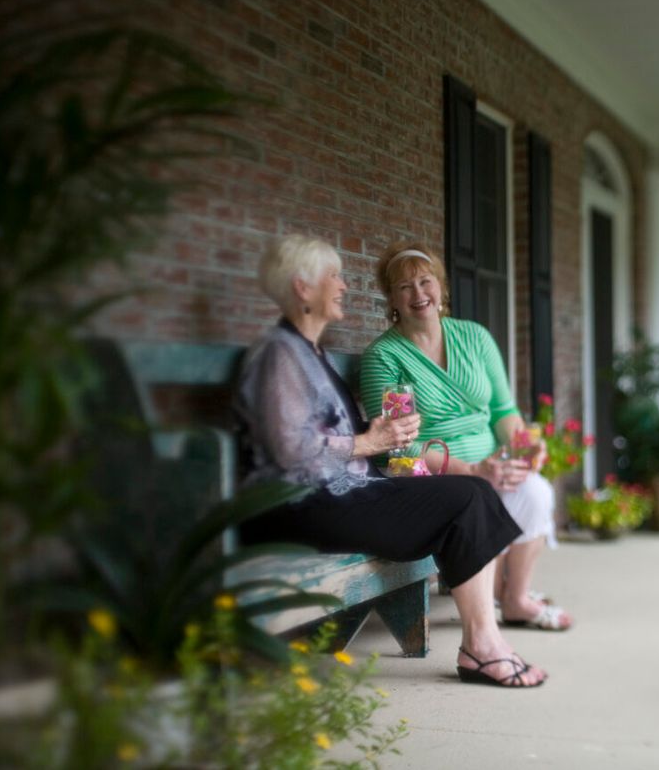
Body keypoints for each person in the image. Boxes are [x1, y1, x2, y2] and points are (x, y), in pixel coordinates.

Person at [235, 234, 547, 687]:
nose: (343, 286)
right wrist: (369, 442)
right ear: (303, 288)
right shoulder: (282, 355)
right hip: (304, 501)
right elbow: (296, 453)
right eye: (335, 277)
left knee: (475, 493)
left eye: (426, 282)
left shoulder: (310, 352)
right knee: (466, 497)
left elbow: (501, 413)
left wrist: (519, 446)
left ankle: (485, 639)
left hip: (348, 490)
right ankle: (482, 647)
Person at [360, 242, 573, 631]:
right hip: (424, 475)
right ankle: (488, 596)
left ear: (441, 287)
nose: (418, 294)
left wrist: (526, 451)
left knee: (537, 491)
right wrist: (471, 469)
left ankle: (515, 599)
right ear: (391, 297)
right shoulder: (386, 358)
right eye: (405, 287)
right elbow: (400, 450)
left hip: (488, 466)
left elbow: (504, 412)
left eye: (426, 282)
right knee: (481, 495)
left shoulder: (474, 338)